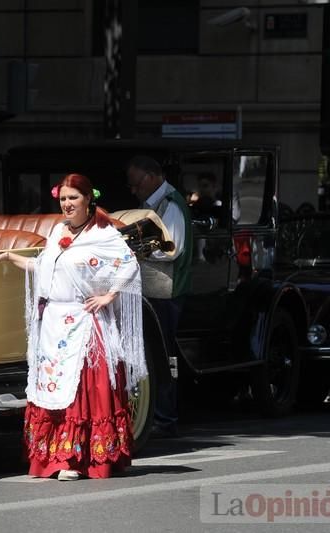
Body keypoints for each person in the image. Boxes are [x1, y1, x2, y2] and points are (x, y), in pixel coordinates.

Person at [0, 173, 146, 480]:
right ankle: (56, 457)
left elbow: (129, 264)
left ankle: (77, 459)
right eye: (63, 199)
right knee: (53, 390)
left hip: (83, 322)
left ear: (88, 199)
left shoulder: (103, 233)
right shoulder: (57, 230)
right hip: (54, 324)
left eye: (73, 197)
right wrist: (11, 256)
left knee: (81, 392)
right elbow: (47, 267)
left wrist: (109, 295)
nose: (67, 204)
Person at [126, 155, 192, 438]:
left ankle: (166, 417)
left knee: (163, 355)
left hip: (166, 290)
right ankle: (160, 415)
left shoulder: (170, 205)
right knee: (156, 353)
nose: (134, 189)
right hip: (154, 290)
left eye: (137, 183)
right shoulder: (153, 204)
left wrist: (135, 252)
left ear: (153, 177)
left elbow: (171, 249)